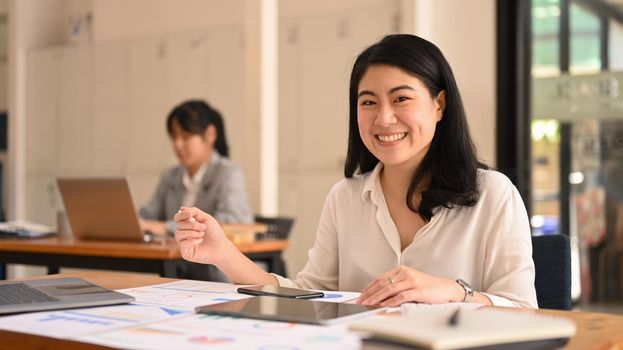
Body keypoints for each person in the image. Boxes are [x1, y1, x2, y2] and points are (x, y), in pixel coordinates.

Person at [173, 35, 538, 308]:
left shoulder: (494, 194)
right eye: (368, 102)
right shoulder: (345, 197)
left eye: (401, 98)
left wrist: (454, 291)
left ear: (439, 104)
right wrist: (223, 254)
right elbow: (305, 296)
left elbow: (524, 310)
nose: (383, 118)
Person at [140, 99, 253, 280]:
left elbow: (235, 222)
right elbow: (147, 217)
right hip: (179, 270)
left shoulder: (228, 173)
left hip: (218, 273)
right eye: (174, 136)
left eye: (185, 136)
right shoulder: (170, 176)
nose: (177, 144)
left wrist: (167, 228)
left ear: (210, 134)